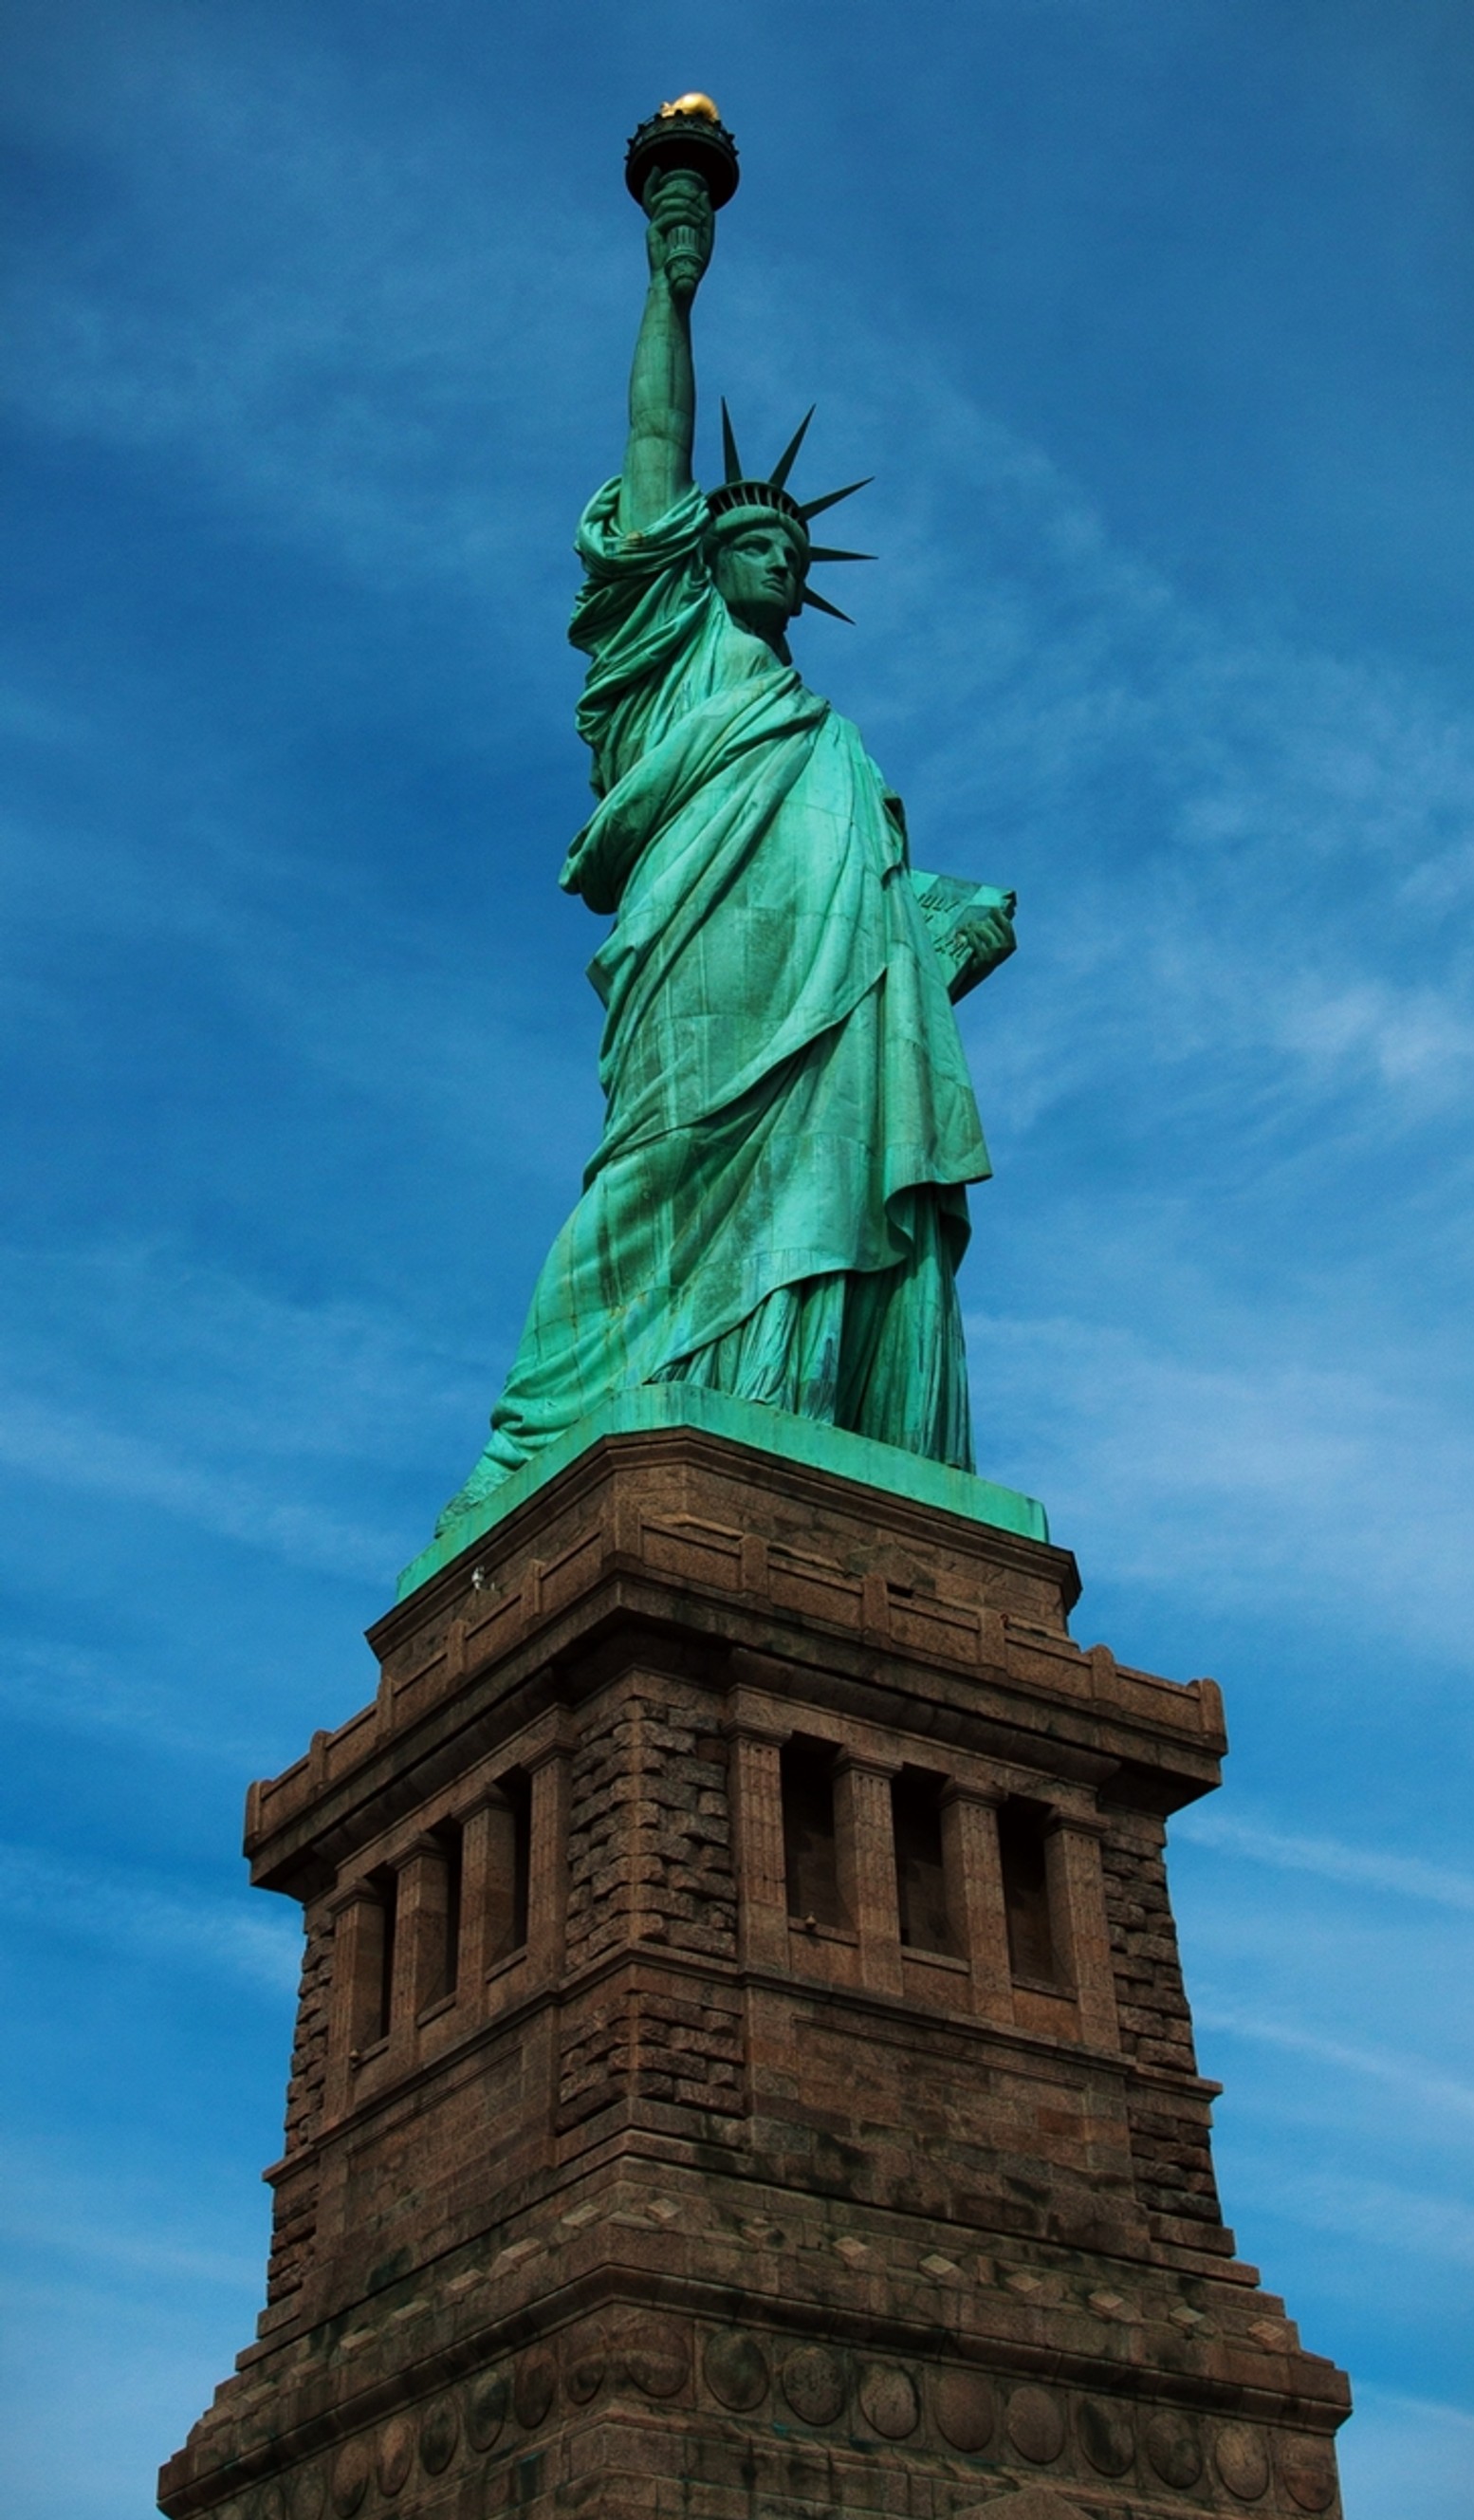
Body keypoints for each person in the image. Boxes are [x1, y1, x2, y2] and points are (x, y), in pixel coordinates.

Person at [438, 169, 1015, 1532]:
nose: (778, 557)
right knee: (640, 1192)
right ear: (699, 564)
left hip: (829, 1011)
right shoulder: (669, 664)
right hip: (696, 985)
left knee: (830, 1178)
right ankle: (535, 1443)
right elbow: (655, 443)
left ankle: (804, 1410)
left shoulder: (832, 738)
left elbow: (886, 918)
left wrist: (943, 934)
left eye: (794, 549)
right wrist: (669, 280)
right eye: (754, 536)